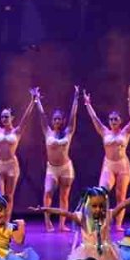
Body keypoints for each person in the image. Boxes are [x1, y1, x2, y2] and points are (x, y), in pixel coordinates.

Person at [83, 86, 130, 222]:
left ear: (120, 120)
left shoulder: (126, 131)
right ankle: (99, 221)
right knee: (101, 192)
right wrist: (88, 104)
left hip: (123, 166)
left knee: (120, 196)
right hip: (109, 165)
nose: (113, 121)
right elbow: (94, 118)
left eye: (116, 119)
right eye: (111, 119)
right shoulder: (104, 131)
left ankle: (118, 224)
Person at [0, 86, 41, 211]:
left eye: (6, 116)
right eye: (2, 117)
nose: (4, 119)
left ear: (12, 118)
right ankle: (0, 220)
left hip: (12, 165)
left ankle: (6, 220)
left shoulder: (17, 131)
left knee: (9, 196)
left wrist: (33, 101)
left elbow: (26, 117)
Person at [59, 186, 130, 260]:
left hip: (105, 252)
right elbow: (65, 213)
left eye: (101, 206)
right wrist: (47, 210)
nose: (98, 209)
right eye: (94, 206)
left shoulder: (107, 216)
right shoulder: (83, 219)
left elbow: (122, 206)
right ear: (87, 205)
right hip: (87, 252)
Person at [41, 87, 82, 232]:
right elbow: (41, 115)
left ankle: (62, 224)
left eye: (59, 118)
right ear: (52, 121)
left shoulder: (68, 131)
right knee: (48, 191)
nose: (57, 121)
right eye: (55, 119)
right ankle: (47, 222)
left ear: (63, 120)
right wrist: (37, 100)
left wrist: (76, 98)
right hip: (52, 168)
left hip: (66, 168)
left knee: (64, 197)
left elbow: (73, 116)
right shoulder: (47, 131)